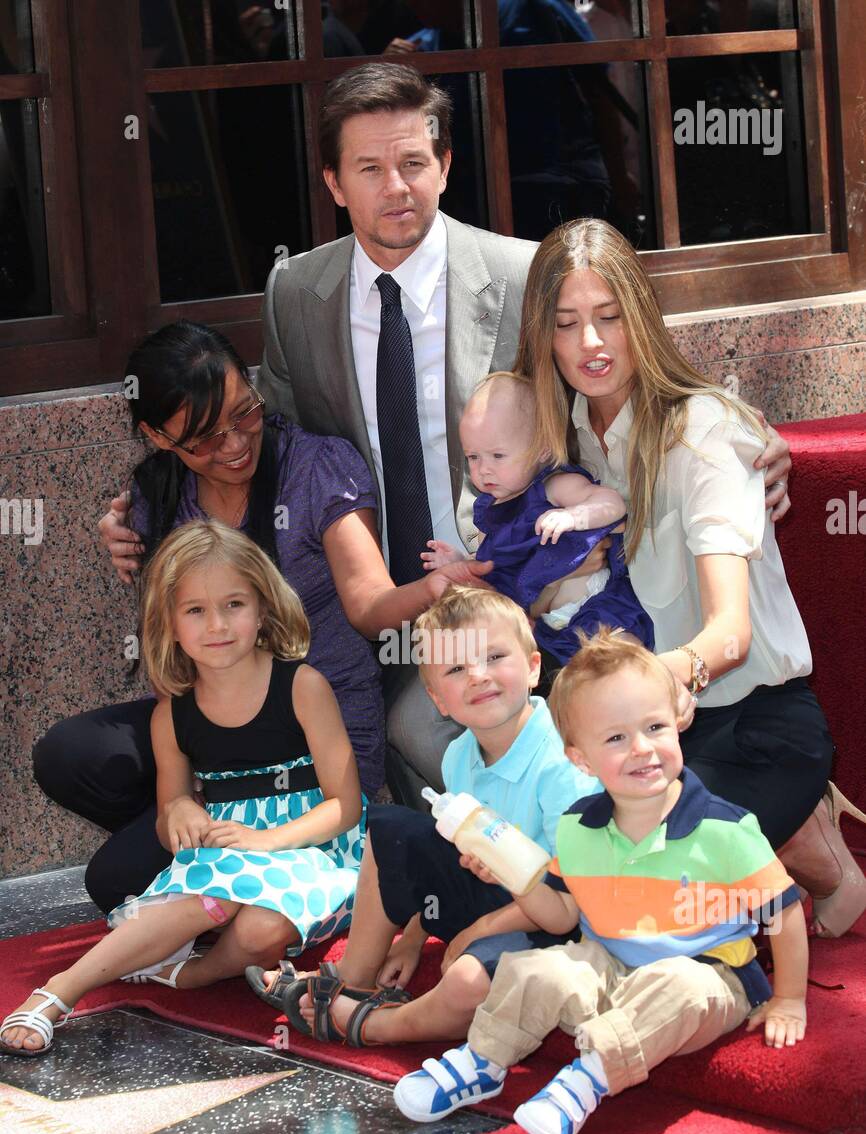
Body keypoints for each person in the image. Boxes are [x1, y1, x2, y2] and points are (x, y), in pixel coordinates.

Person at [97, 64, 792, 801]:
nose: (395, 187)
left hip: (516, 585)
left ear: (445, 166)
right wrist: (144, 497)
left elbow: (622, 361)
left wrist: (748, 430)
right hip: (370, 598)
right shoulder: (297, 292)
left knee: (424, 731)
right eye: (369, 168)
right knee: (420, 742)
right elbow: (254, 416)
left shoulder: (523, 274)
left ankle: (569, 869)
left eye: (413, 163)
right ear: (333, 182)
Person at [34, 321, 482, 914]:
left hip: (311, 739)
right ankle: (220, 848)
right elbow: (173, 649)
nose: (234, 444)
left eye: (244, 414)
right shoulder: (158, 496)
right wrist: (181, 798)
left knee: (115, 882)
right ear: (158, 437)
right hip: (212, 739)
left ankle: (260, 869)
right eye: (203, 438)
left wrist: (433, 587)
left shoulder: (315, 467)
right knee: (69, 753)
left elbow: (369, 604)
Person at [513, 218, 866, 938]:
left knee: (635, 901)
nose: (592, 345)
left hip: (756, 723)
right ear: (542, 335)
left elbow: (729, 633)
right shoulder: (563, 437)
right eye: (568, 323)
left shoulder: (703, 433)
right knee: (577, 883)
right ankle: (776, 852)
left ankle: (801, 839)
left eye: (610, 317)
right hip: (648, 729)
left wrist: (645, 682)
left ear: (641, 317)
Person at [393, 629, 809, 1134]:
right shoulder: (578, 827)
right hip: (608, 963)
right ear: (580, 759)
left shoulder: (723, 828)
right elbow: (562, 915)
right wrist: (515, 877)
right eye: (615, 738)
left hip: (710, 975)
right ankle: (484, 1061)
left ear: (680, 722)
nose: (642, 749)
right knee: (533, 967)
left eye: (654, 727)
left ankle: (587, 1079)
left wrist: (790, 999)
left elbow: (784, 912)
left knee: (682, 987)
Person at [2, 521, 373, 1057]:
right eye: (195, 610)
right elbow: (169, 805)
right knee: (236, 909)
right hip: (227, 857)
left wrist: (270, 841)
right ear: (169, 624)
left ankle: (192, 974)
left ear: (263, 608)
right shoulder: (170, 715)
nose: (217, 624)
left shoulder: (302, 687)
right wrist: (178, 811)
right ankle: (59, 991)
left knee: (265, 928)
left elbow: (345, 803)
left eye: (234, 605)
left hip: (313, 850)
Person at [245, 587, 598, 1047]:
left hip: (559, 922)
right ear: (438, 700)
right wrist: (414, 937)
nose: (478, 676)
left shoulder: (563, 764)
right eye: (456, 668)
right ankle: (353, 979)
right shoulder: (458, 757)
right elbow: (450, 853)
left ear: (533, 667)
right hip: (493, 896)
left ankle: (382, 1025)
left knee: (468, 978)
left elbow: (567, 902)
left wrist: (476, 930)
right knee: (391, 826)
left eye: (494, 656)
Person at [421, 371, 653, 663]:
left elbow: (612, 503)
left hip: (594, 603)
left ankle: (652, 690)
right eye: (473, 457)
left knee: (622, 661)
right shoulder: (494, 511)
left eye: (498, 456)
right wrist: (461, 563)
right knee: (578, 689)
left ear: (541, 447)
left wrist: (576, 516)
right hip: (549, 630)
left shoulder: (553, 487)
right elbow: (495, 568)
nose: (484, 470)